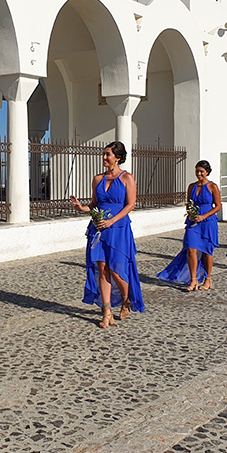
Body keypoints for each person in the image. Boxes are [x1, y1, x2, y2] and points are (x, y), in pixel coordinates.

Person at [70, 141, 144, 329]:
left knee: (116, 270)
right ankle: (107, 312)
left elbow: (131, 204)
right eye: (104, 154)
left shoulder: (127, 178)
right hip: (98, 229)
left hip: (118, 229)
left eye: (108, 154)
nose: (104, 157)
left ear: (117, 158)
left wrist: (112, 221)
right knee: (101, 268)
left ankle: (126, 298)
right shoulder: (97, 179)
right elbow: (94, 204)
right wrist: (81, 208)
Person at [157, 160, 222, 291]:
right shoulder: (191, 186)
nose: (199, 174)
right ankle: (193, 280)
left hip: (207, 222)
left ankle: (207, 279)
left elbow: (218, 206)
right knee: (191, 249)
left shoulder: (212, 187)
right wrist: (190, 214)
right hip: (193, 223)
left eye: (201, 171)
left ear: (207, 172)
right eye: (197, 171)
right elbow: (188, 204)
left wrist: (204, 216)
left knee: (206, 252)